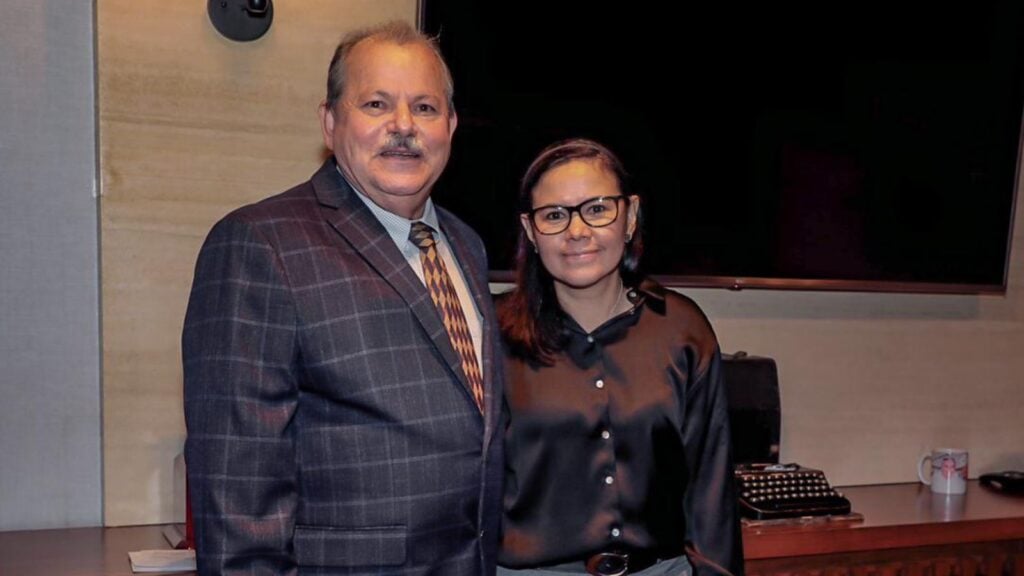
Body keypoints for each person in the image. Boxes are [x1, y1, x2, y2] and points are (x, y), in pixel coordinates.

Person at [182, 21, 503, 575]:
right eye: (376, 103)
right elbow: (237, 489)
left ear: (450, 126)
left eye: (425, 108)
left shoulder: (467, 246)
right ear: (330, 123)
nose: (403, 126)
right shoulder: (261, 244)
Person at [496, 139, 744, 576]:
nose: (577, 231)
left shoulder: (681, 327)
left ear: (629, 217)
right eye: (554, 215)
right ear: (531, 231)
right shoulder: (491, 333)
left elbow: (710, 483)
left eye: (596, 209)